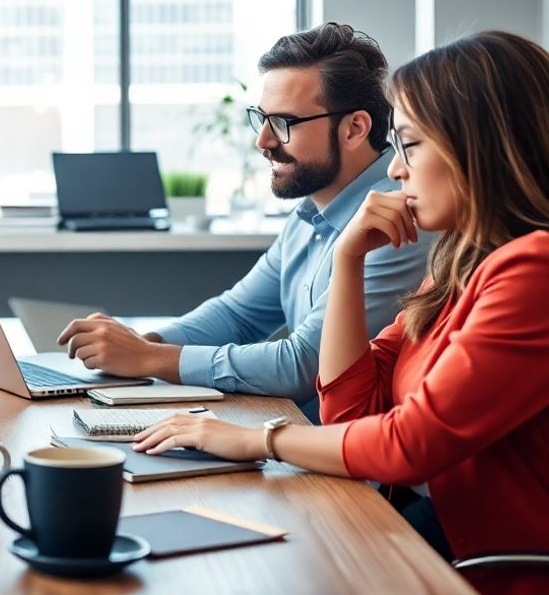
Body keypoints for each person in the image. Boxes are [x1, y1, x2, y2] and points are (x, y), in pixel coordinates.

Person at [132, 31, 549, 580]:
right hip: (417, 524)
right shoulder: (456, 267)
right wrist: (348, 259)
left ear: (482, 149)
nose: (396, 170)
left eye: (410, 145)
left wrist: (258, 439)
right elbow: (350, 411)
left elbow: (411, 443)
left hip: (477, 558)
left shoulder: (532, 272)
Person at [58, 23, 432, 418]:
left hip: (337, 452)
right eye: (261, 119)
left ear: (354, 129)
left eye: (283, 123)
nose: (263, 141)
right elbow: (238, 314)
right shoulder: (310, 213)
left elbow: (303, 364)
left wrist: (148, 358)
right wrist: (139, 343)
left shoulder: (396, 219)